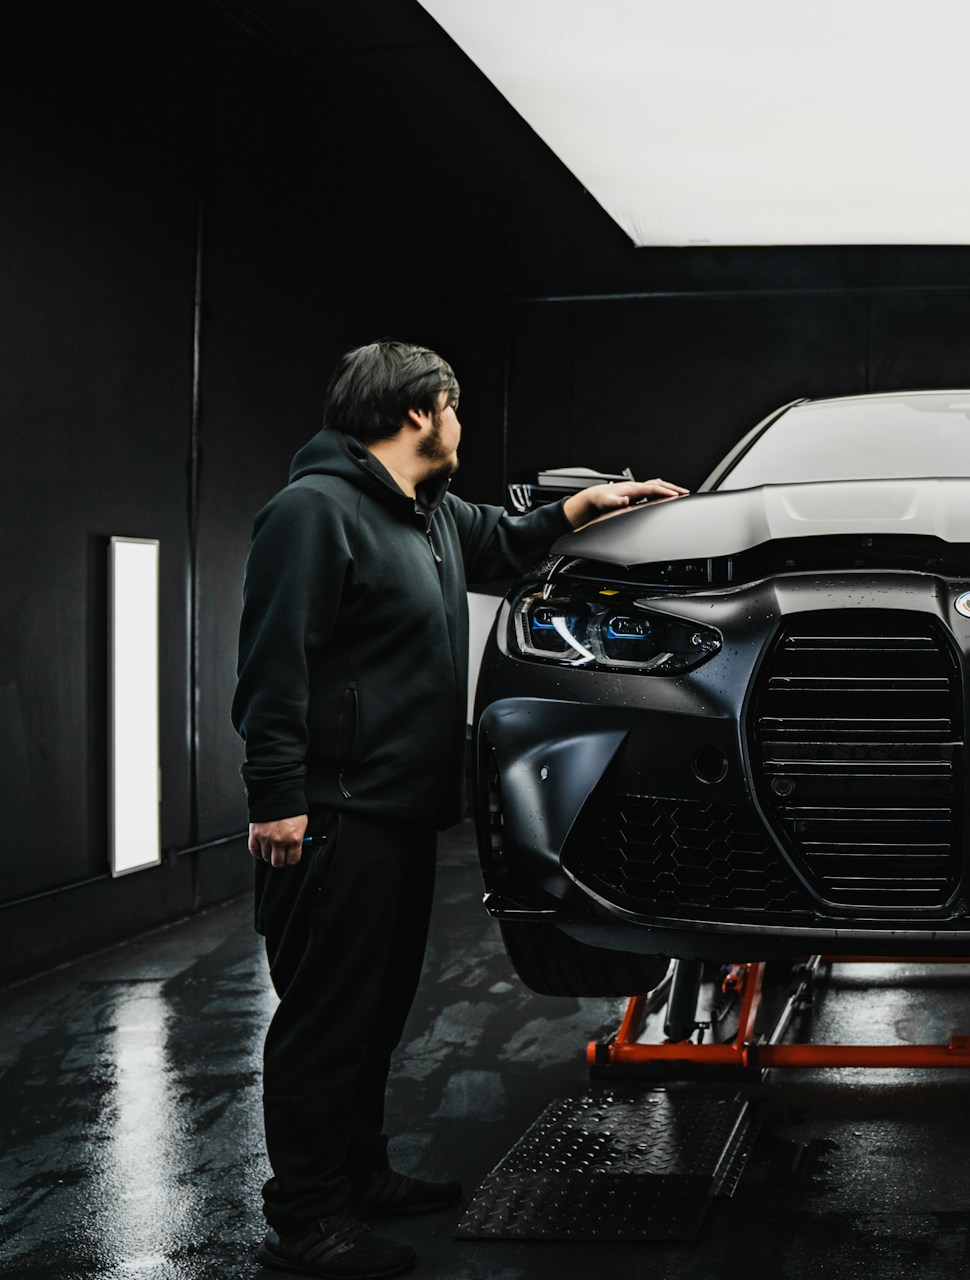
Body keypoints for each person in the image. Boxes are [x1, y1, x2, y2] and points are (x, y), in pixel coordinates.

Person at [233, 340, 686, 1277]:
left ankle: (361, 1176)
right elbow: (273, 667)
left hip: (397, 811)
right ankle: (306, 1218)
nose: (459, 425)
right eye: (455, 408)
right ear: (419, 412)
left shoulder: (428, 515)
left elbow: (504, 540)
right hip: (333, 813)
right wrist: (277, 799)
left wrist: (590, 505)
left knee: (376, 1012)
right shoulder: (312, 514)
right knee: (325, 1021)